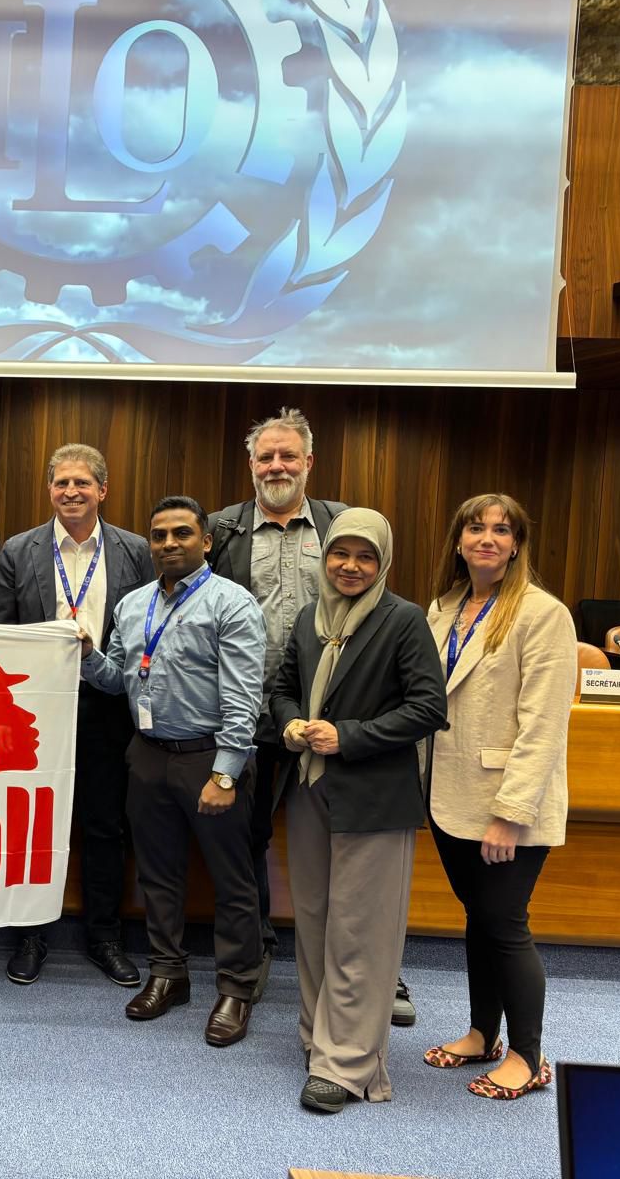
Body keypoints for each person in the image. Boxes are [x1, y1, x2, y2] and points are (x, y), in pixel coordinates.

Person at [204, 408, 408, 1016]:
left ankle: (373, 969)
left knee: (349, 839)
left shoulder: (341, 525)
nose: (277, 466)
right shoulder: (222, 529)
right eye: (265, 457)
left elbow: (377, 605)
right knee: (248, 835)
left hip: (330, 718)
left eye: (287, 456)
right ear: (250, 465)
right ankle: (257, 951)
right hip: (248, 711)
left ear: (309, 462)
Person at [269, 509, 447, 1112]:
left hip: (373, 797)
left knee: (360, 932)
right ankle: (318, 1036)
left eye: (364, 556)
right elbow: (282, 688)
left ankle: (347, 1063)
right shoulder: (308, 618)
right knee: (314, 922)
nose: (350, 566)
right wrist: (290, 723)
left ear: (383, 562)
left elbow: (428, 708)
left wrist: (349, 736)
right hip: (309, 791)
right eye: (340, 554)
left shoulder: (403, 620)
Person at [80, 496, 265, 1046]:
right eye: (159, 535)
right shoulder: (133, 604)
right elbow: (117, 679)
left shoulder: (231, 603)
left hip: (210, 756)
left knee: (233, 880)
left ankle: (236, 988)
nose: (168, 544)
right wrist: (87, 654)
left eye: (182, 533)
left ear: (205, 541)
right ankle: (168, 974)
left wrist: (226, 773)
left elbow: (244, 697)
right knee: (158, 875)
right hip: (148, 754)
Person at [423, 494, 575, 1100]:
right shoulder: (443, 607)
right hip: (448, 794)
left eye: (502, 530)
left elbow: (544, 726)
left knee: (505, 923)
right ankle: (483, 1032)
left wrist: (511, 816)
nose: (487, 538)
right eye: (475, 527)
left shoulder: (543, 613)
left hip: (508, 804)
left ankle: (528, 1056)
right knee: (479, 917)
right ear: (459, 540)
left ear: (516, 545)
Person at [0, 444, 149, 987]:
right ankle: (30, 935)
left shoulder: (135, 551)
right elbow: (0, 632)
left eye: (82, 483)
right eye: (61, 483)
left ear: (103, 490)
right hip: (37, 712)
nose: (71, 492)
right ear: (50, 490)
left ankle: (104, 937)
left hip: (108, 706)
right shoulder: (19, 550)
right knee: (32, 824)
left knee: (105, 825)